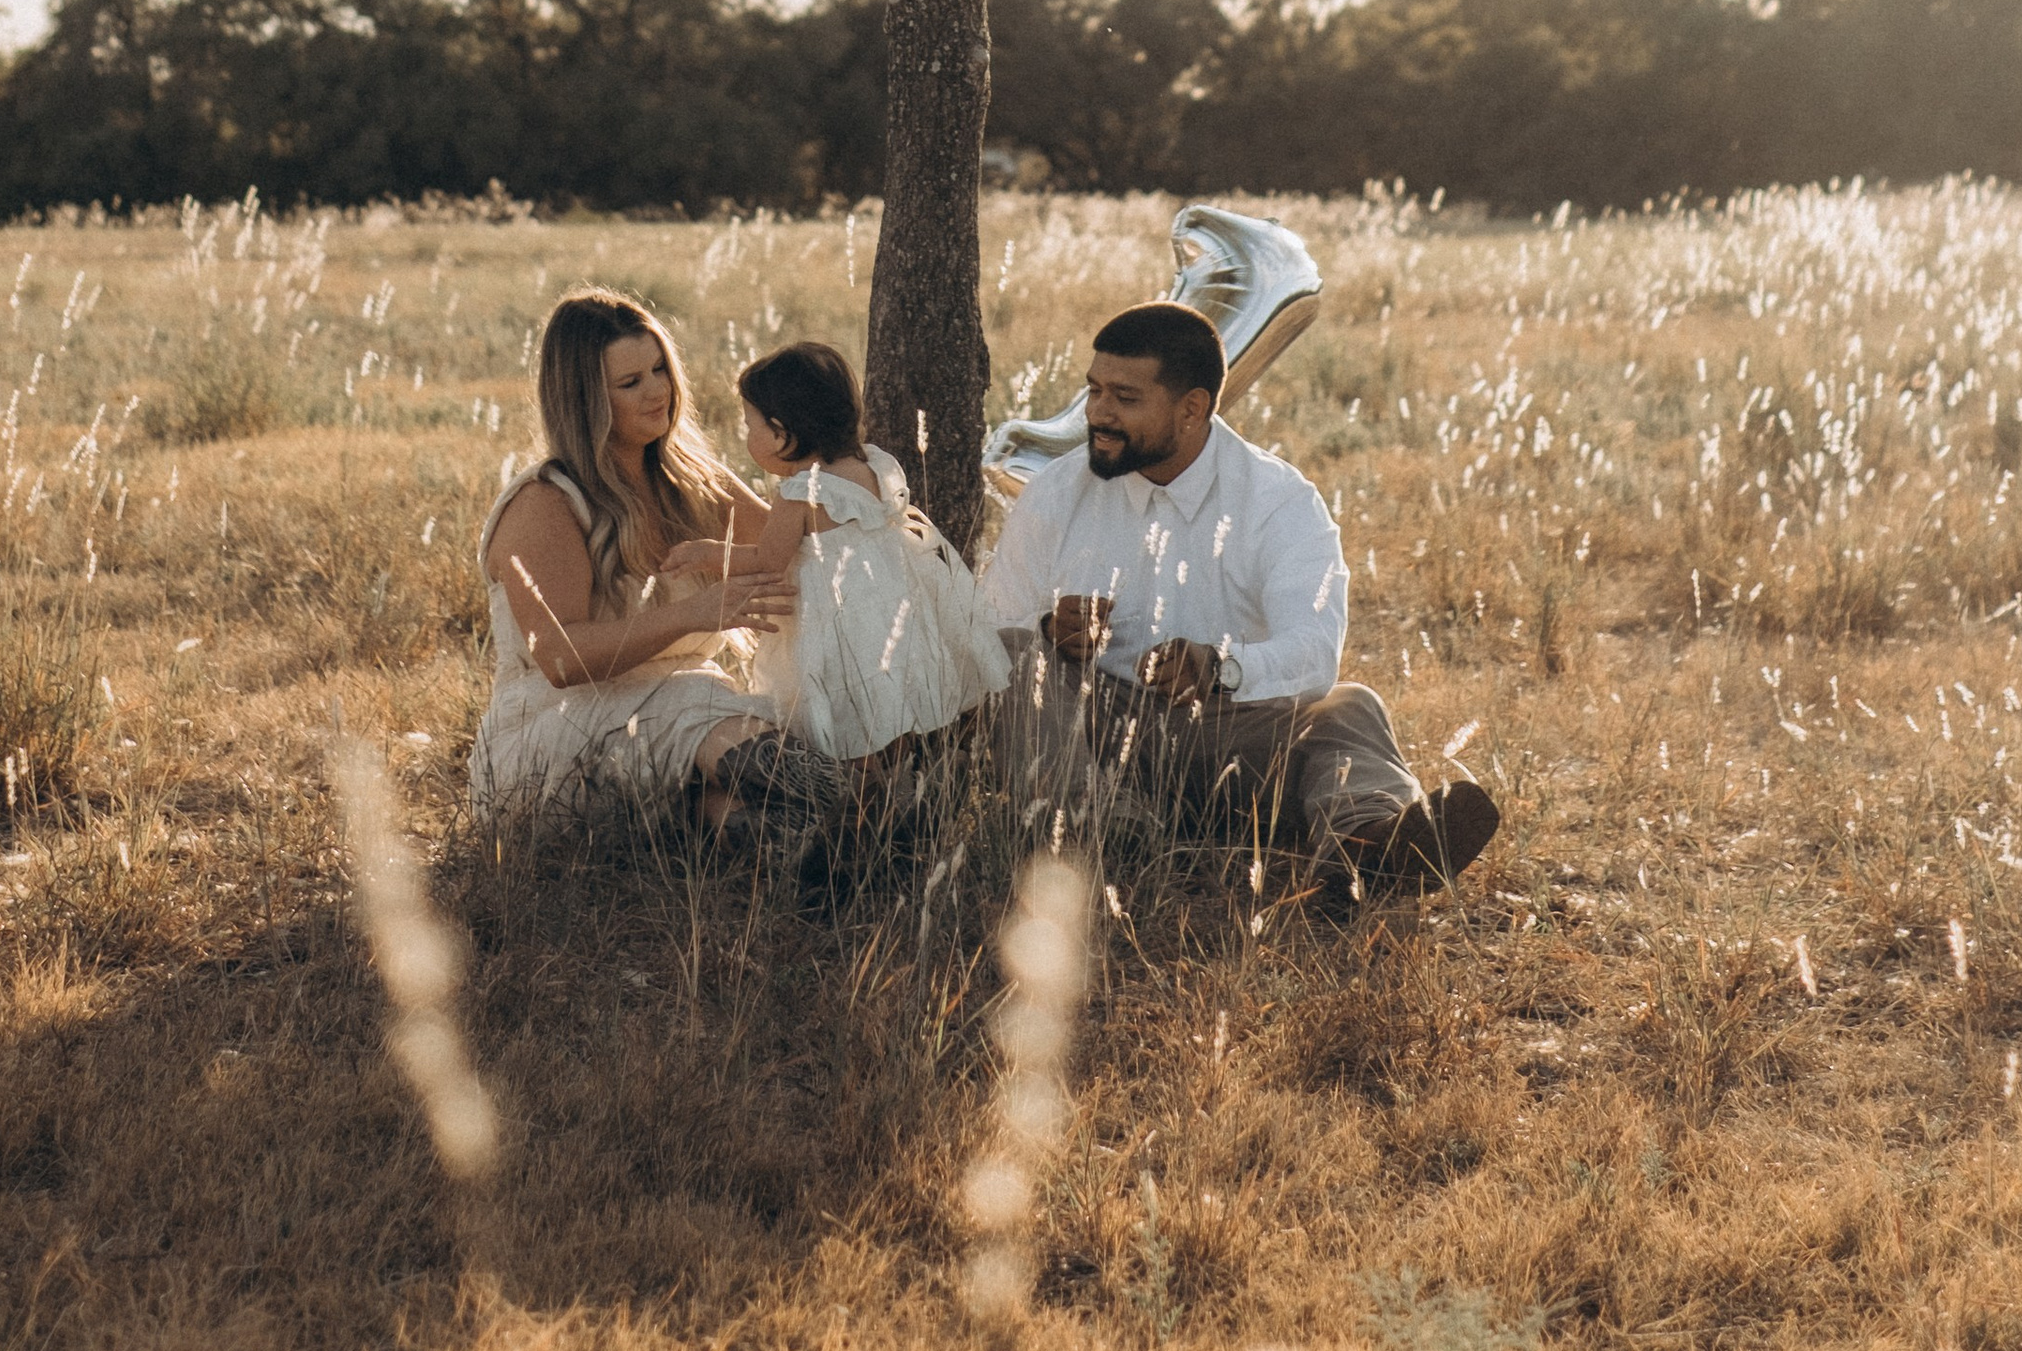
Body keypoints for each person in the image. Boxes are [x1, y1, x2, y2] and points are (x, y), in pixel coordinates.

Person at [977, 300, 1500, 903]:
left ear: (1192, 408)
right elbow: (984, 632)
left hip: (1233, 746)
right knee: (1013, 654)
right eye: (1094, 390)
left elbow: (1314, 652)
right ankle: (1105, 836)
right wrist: (1046, 631)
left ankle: (1364, 854)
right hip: (1094, 744)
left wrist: (1221, 669)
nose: (1098, 412)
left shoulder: (1279, 500)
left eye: (1124, 398)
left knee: (1351, 706)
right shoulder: (1057, 493)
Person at [469, 291, 793, 829]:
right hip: (549, 741)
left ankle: (790, 845)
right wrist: (692, 612)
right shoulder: (547, 502)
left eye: (660, 369)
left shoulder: (695, 483)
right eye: (630, 383)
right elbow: (560, 659)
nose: (658, 391)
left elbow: (795, 549)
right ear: (585, 400)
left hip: (683, 720)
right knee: (765, 756)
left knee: (754, 813)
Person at [662, 339, 1008, 759]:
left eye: (750, 426)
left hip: (833, 621)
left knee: (842, 703)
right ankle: (909, 769)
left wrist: (711, 552)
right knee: (889, 694)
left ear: (781, 434)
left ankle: (860, 786)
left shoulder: (800, 493)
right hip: (886, 609)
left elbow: (768, 561)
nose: (747, 436)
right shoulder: (872, 465)